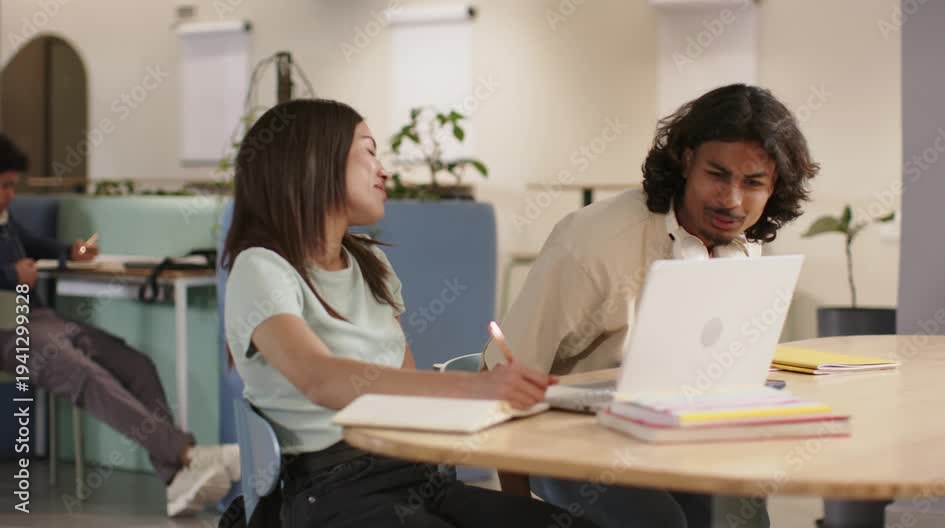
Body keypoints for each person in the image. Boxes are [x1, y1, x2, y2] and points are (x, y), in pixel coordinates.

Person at [222, 98, 599, 528]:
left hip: (416, 476)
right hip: (330, 492)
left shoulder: (372, 265)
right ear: (312, 163)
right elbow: (319, 378)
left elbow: (405, 393)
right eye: (368, 152)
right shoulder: (261, 267)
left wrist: (504, 405)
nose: (384, 171)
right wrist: (475, 388)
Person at [483, 84, 820, 528]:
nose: (732, 200)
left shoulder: (740, 245)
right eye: (717, 175)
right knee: (661, 522)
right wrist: (517, 510)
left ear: (774, 186)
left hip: (677, 429)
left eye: (753, 182)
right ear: (686, 160)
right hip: (571, 438)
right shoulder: (594, 243)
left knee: (741, 513)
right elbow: (499, 378)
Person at [0, 133, 240, 517]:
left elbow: (40, 246)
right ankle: (186, 454)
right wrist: (11, 276)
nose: (10, 195)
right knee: (83, 373)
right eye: (4, 186)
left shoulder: (6, 221)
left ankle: (176, 481)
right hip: (8, 330)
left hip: (40, 320)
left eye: (13, 186)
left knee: (135, 365)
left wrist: (72, 251)